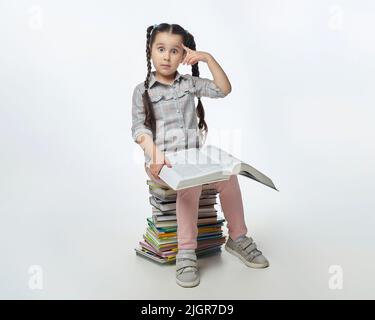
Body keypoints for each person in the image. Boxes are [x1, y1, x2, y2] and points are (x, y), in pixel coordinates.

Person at [131, 23, 269, 288]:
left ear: (183, 56)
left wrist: (207, 58)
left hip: (192, 157)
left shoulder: (189, 84)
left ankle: (238, 238)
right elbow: (139, 129)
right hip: (162, 162)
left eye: (174, 51)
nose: (167, 56)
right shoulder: (142, 91)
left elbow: (223, 89)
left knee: (229, 177)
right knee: (191, 185)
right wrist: (154, 152)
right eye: (161, 49)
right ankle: (185, 252)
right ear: (150, 51)